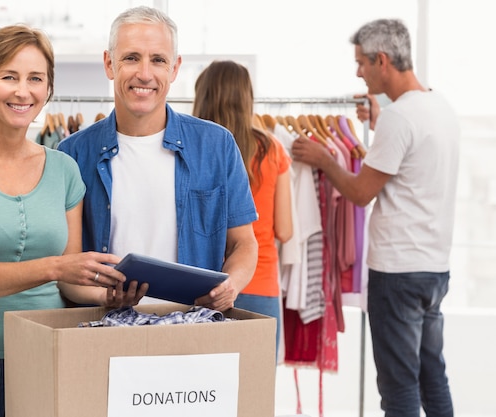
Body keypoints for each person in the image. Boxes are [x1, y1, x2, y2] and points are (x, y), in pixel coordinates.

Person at [0, 24, 144, 417]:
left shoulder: (64, 170)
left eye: (36, 79)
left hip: (47, 352)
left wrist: (110, 297)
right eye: (9, 76)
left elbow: (69, 279)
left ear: (47, 89)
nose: (23, 91)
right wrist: (56, 265)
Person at [291, 18, 458, 417]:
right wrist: (379, 122)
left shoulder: (401, 119)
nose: (358, 71)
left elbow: (361, 193)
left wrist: (325, 160)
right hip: (433, 269)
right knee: (432, 376)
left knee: (398, 387)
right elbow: (409, 167)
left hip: (398, 273)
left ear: (382, 60)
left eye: (361, 62)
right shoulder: (438, 107)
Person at [57, 6, 259, 313]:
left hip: (194, 329)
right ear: (109, 64)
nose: (145, 73)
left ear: (174, 69)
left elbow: (244, 243)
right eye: (131, 57)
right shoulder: (71, 154)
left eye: (158, 60)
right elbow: (65, 271)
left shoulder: (217, 145)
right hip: (104, 332)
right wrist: (103, 297)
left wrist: (231, 286)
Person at [192, 60, 293, 354]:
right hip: (260, 285)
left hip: (203, 286)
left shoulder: (194, 150)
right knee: (256, 392)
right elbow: (285, 230)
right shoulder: (272, 149)